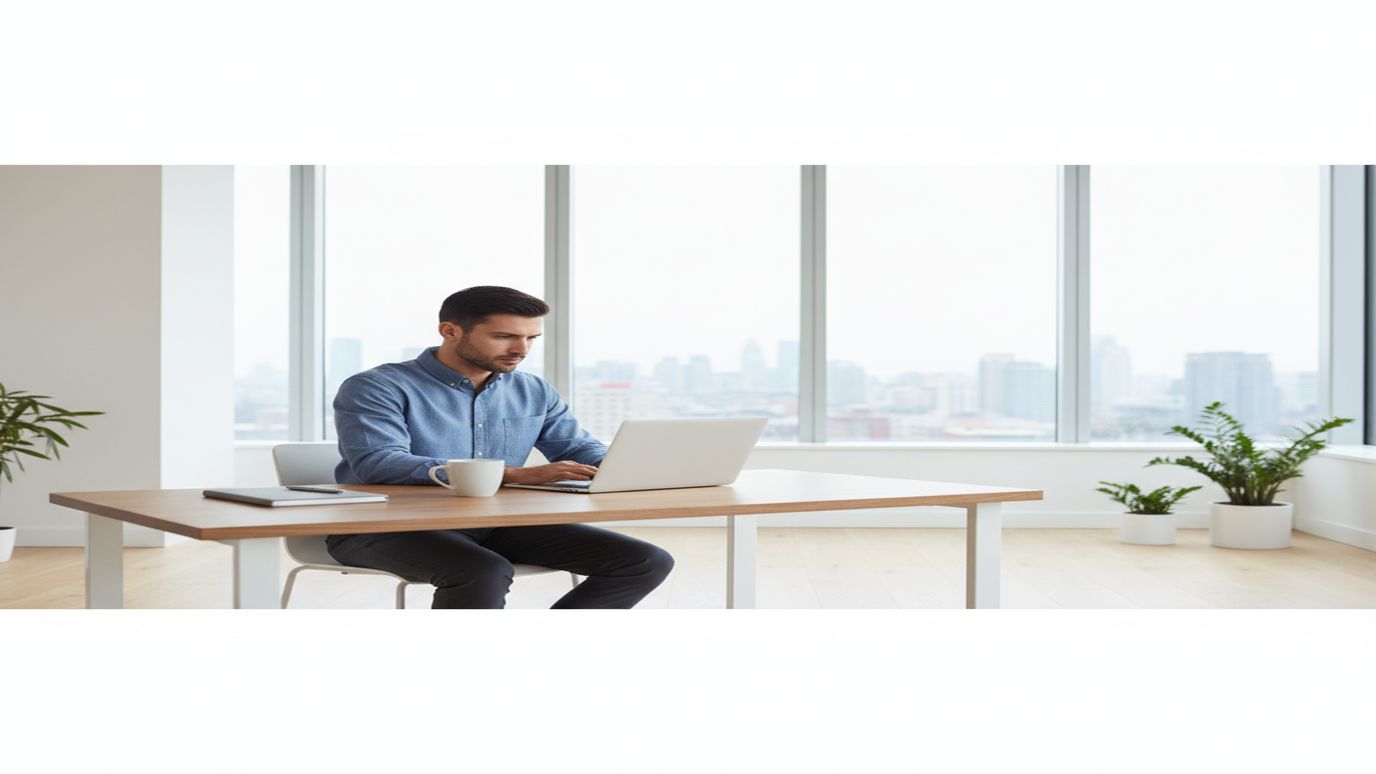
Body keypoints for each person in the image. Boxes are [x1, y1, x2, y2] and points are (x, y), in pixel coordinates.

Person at [327, 285, 674, 609]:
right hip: (385, 527)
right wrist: (514, 475)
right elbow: (379, 462)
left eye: (530, 338)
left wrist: (627, 468)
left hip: (495, 523)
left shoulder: (534, 390)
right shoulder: (376, 387)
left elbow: (578, 448)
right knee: (483, 570)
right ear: (450, 331)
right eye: (504, 336)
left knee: (646, 561)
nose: (520, 350)